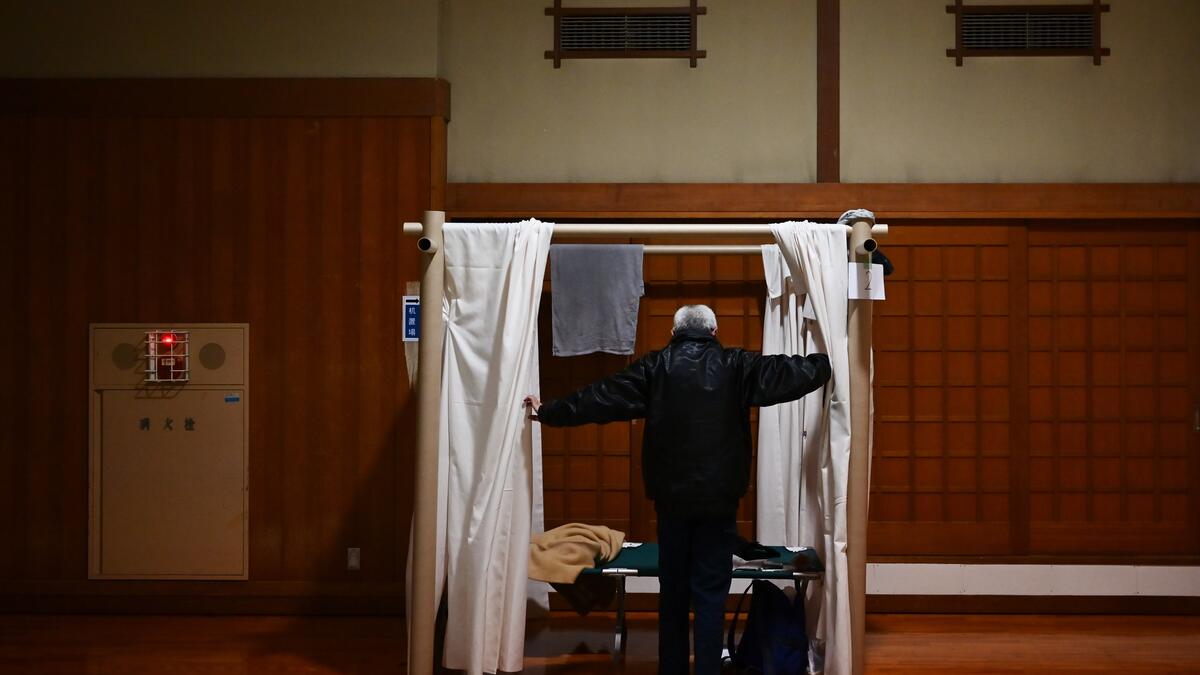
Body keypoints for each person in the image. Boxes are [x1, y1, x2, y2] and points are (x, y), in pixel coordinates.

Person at [524, 304, 831, 675]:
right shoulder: (738, 366)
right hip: (719, 504)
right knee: (710, 598)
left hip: (671, 504)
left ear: (674, 334)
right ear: (714, 333)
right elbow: (790, 373)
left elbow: (599, 397)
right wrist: (830, 362)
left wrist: (550, 411)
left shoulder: (654, 367)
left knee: (672, 597)